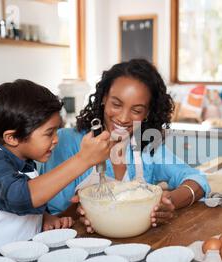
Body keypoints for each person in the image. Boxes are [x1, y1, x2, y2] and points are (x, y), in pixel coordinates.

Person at [0, 79, 113, 262]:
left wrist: (43, 218)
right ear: (12, 137)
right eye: (49, 133)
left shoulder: (23, 159)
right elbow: (21, 197)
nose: (56, 139)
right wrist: (83, 159)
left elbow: (11, 208)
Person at [41, 59, 210, 232]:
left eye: (136, 110)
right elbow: (52, 217)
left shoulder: (147, 146)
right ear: (103, 98)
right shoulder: (66, 142)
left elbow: (198, 181)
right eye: (116, 104)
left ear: (147, 113)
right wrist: (85, 208)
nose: (123, 118)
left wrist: (168, 203)